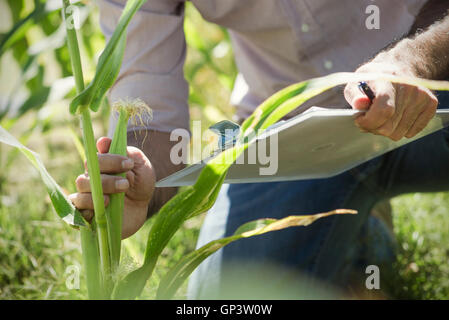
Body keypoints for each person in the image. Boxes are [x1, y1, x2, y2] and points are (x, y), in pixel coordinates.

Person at [69, 0, 449, 298]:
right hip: (294, 140)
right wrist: (141, 177)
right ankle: (358, 232)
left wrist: (411, 61)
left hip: (434, 85)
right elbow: (151, 105)